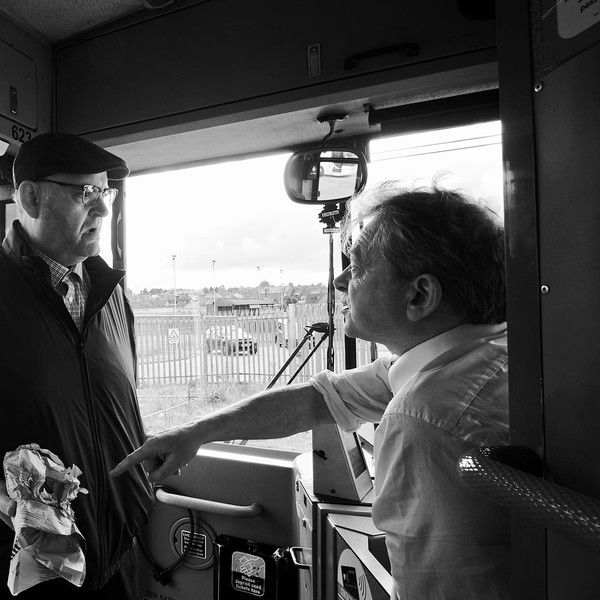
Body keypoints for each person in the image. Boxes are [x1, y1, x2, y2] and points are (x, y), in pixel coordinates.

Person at [112, 182, 509, 600]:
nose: (340, 280)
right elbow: (318, 400)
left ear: (420, 295)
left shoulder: (421, 419)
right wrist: (195, 433)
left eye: (358, 267)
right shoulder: (467, 357)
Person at [0, 133, 153, 598]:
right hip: (36, 572)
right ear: (31, 197)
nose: (104, 209)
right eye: (85, 193)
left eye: (105, 192)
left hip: (122, 558)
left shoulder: (112, 295)